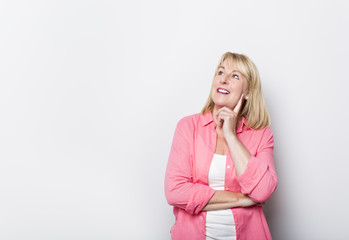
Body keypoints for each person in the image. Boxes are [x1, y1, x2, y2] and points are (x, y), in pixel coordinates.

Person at [164, 52, 278, 240]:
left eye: (235, 76)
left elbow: (263, 191)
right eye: (220, 72)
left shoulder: (262, 134)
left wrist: (231, 136)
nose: (223, 80)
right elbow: (175, 192)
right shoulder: (187, 127)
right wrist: (242, 199)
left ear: (247, 92)